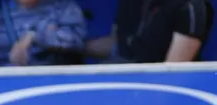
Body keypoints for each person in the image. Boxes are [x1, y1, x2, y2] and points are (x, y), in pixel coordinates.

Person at [0, 0, 87, 67]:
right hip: (0, 85)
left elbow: (77, 41)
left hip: (50, 83)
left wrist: (34, 37)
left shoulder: (64, 9)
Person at [86, 0, 214, 63]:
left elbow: (172, 71)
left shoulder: (190, 7)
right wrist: (77, 46)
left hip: (157, 86)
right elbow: (117, 44)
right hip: (122, 71)